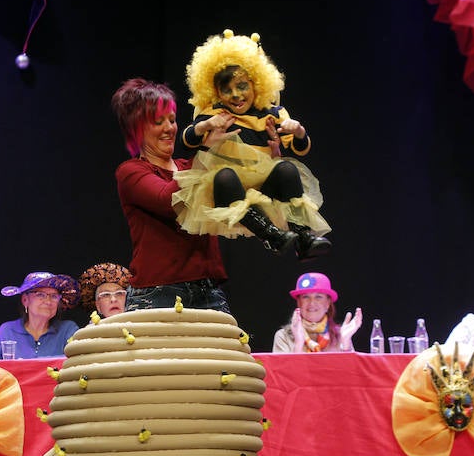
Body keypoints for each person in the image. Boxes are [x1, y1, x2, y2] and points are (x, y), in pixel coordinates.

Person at [174, 29, 331, 260]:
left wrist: (298, 131)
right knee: (225, 176)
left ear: (256, 83)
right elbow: (187, 140)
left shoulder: (271, 114)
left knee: (287, 169)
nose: (236, 95)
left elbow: (300, 149)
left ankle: (303, 238)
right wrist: (204, 126)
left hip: (263, 184)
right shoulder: (216, 113)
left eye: (242, 86)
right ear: (216, 92)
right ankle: (272, 235)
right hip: (229, 188)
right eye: (226, 90)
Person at [111, 77, 230, 313]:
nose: (170, 128)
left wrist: (270, 151)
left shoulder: (191, 166)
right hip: (158, 295)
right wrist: (207, 153)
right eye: (158, 121)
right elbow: (170, 200)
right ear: (137, 128)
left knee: (225, 350)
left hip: (208, 292)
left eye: (173, 120)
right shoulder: (131, 172)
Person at [0, 271, 80, 358]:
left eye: (54, 296)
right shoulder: (7, 331)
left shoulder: (67, 330)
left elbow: (79, 362)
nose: (48, 301)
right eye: (40, 295)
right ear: (25, 300)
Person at [272, 272, 362, 353]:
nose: (312, 303)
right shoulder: (283, 336)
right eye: (305, 297)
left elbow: (350, 370)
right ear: (299, 303)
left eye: (318, 297)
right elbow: (283, 371)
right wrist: (298, 343)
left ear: (328, 303)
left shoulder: (340, 335)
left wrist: (345, 342)